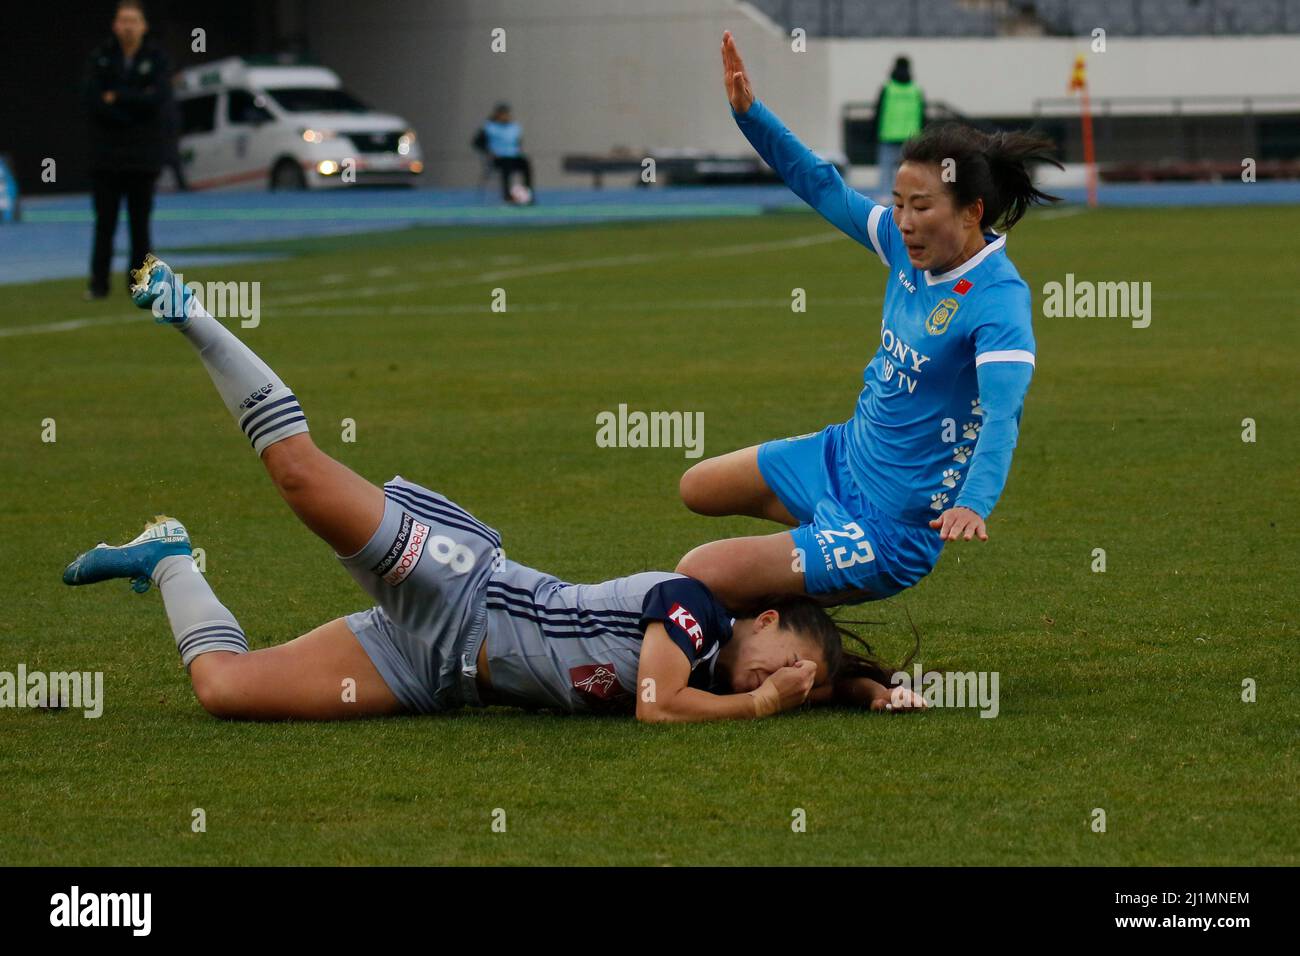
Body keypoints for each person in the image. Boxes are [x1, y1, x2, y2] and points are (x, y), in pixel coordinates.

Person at [62, 256, 926, 722]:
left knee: (224, 691)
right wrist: (766, 704)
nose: (782, 687)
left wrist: (863, 688)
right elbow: (661, 709)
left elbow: (796, 679)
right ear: (763, 619)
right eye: (789, 670)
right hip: (459, 584)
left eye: (798, 689)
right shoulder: (693, 609)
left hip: (432, 671)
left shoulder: (737, 665)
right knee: (298, 472)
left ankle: (170, 558)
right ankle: (191, 310)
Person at [675, 32, 1061, 609]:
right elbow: (823, 186)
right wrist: (751, 116)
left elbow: (1003, 416)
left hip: (892, 531)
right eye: (898, 202)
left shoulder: (999, 300)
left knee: (699, 572)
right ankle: (801, 574)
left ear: (972, 212)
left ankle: (815, 644)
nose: (903, 221)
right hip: (842, 459)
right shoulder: (904, 246)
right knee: (697, 488)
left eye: (922, 207)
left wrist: (974, 502)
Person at [83, 0, 172, 299]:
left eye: (134, 20)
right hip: (106, 158)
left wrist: (118, 97)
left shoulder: (156, 58)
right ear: (115, 24)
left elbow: (156, 100)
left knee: (140, 226)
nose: (128, 26)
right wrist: (134, 102)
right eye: (123, 20)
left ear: (143, 26)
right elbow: (93, 101)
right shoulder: (101, 57)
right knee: (104, 224)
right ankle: (98, 286)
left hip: (142, 158)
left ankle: (141, 285)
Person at [874, 56, 925, 202]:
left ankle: (885, 198)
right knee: (909, 170)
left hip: (888, 135)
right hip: (910, 137)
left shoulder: (887, 88)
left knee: (886, 171)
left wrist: (875, 132)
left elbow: (878, 112)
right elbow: (922, 115)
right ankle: (910, 196)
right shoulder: (915, 90)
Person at [473, 102, 535, 204]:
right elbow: (477, 143)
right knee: (507, 166)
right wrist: (489, 151)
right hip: (498, 158)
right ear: (497, 115)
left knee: (525, 163)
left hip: (513, 157)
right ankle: (507, 196)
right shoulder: (489, 127)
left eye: (506, 113)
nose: (505, 116)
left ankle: (527, 194)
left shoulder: (514, 127)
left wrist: (518, 151)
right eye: (503, 114)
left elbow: (518, 143)